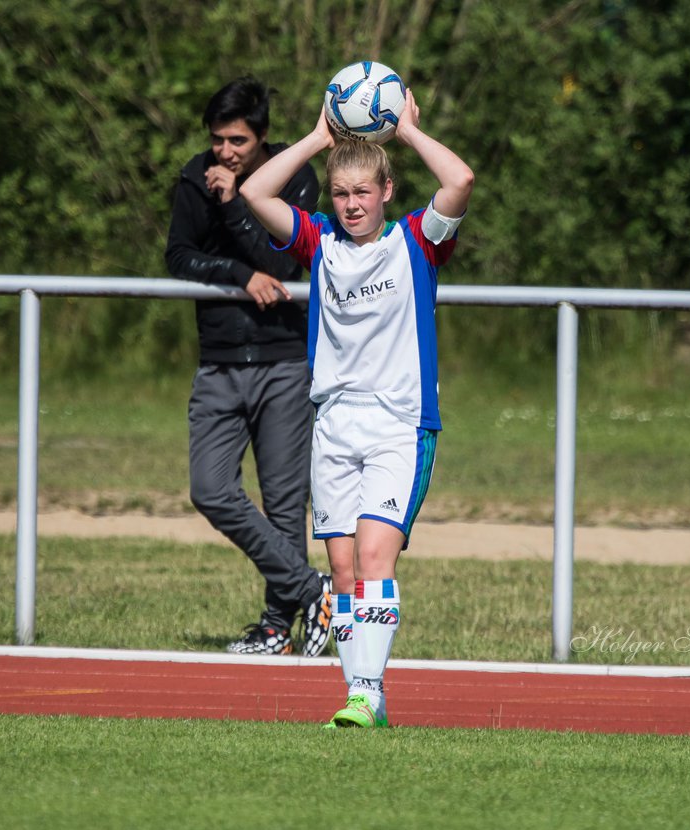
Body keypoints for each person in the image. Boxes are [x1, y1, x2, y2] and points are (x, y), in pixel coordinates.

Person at [241, 89, 474, 727]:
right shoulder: (318, 243)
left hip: (400, 425)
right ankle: (363, 693)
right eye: (341, 194)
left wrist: (405, 131)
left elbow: (460, 178)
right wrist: (319, 138)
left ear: (387, 191)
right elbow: (256, 194)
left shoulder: (418, 242)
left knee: (375, 559)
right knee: (342, 569)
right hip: (334, 426)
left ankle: (365, 693)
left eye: (362, 193)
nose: (350, 205)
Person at [165, 76, 331, 657]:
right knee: (210, 490)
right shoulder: (194, 177)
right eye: (217, 140)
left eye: (237, 141)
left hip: (286, 362)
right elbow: (178, 256)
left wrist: (235, 203)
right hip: (219, 362)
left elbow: (285, 262)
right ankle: (316, 592)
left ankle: (274, 627)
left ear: (261, 139)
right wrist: (236, 275)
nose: (224, 152)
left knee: (286, 506)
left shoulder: (296, 175)